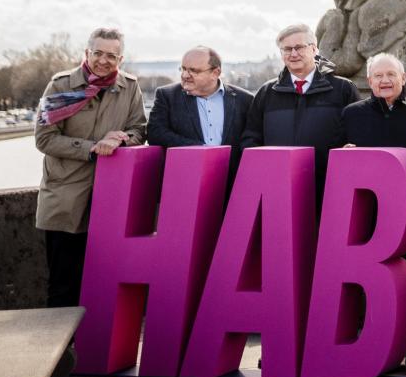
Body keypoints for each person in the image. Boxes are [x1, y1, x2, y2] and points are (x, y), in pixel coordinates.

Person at [341, 53, 406, 373]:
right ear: (369, 81)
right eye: (378, 76)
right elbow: (339, 165)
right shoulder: (351, 115)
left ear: (404, 78)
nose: (385, 81)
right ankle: (376, 345)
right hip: (369, 216)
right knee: (370, 282)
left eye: (391, 74)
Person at [34, 27, 149, 308]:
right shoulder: (61, 85)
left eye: (111, 56)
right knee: (63, 286)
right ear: (87, 53)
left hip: (109, 200)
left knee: (104, 286)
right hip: (65, 199)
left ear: (120, 59)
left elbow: (139, 130)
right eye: (98, 53)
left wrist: (121, 139)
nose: (103, 60)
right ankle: (62, 340)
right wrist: (92, 148)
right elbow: (44, 139)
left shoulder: (129, 87)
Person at [241, 24, 358, 192]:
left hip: (329, 186)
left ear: (314, 49)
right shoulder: (266, 92)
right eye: (287, 49)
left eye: (299, 47)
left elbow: (356, 136)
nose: (293, 54)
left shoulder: (343, 89)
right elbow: (251, 138)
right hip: (279, 187)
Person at [145, 46, 250, 161]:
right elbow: (155, 133)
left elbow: (251, 139)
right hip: (185, 169)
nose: (185, 75)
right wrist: (199, 149)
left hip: (233, 172)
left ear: (215, 73)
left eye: (194, 71)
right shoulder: (167, 96)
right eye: (183, 69)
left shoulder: (245, 100)